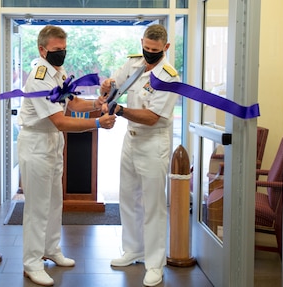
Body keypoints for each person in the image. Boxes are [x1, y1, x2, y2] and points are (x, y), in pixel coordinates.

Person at [17, 25, 116, 286]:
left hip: (51, 143)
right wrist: (96, 124)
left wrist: (97, 104)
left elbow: (71, 102)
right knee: (37, 208)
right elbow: (60, 120)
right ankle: (32, 263)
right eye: (56, 50)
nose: (61, 54)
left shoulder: (56, 72)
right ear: (42, 49)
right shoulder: (40, 76)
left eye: (64, 49)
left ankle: (51, 249)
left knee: (53, 203)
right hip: (37, 143)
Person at [100, 24, 179, 287]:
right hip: (130, 141)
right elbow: (114, 86)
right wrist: (107, 87)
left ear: (165, 48)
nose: (149, 54)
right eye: (146, 48)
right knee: (128, 198)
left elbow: (153, 117)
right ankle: (133, 250)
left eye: (155, 51)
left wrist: (120, 110)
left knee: (153, 205)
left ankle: (155, 263)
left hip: (153, 143)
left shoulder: (169, 77)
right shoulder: (134, 64)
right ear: (142, 42)